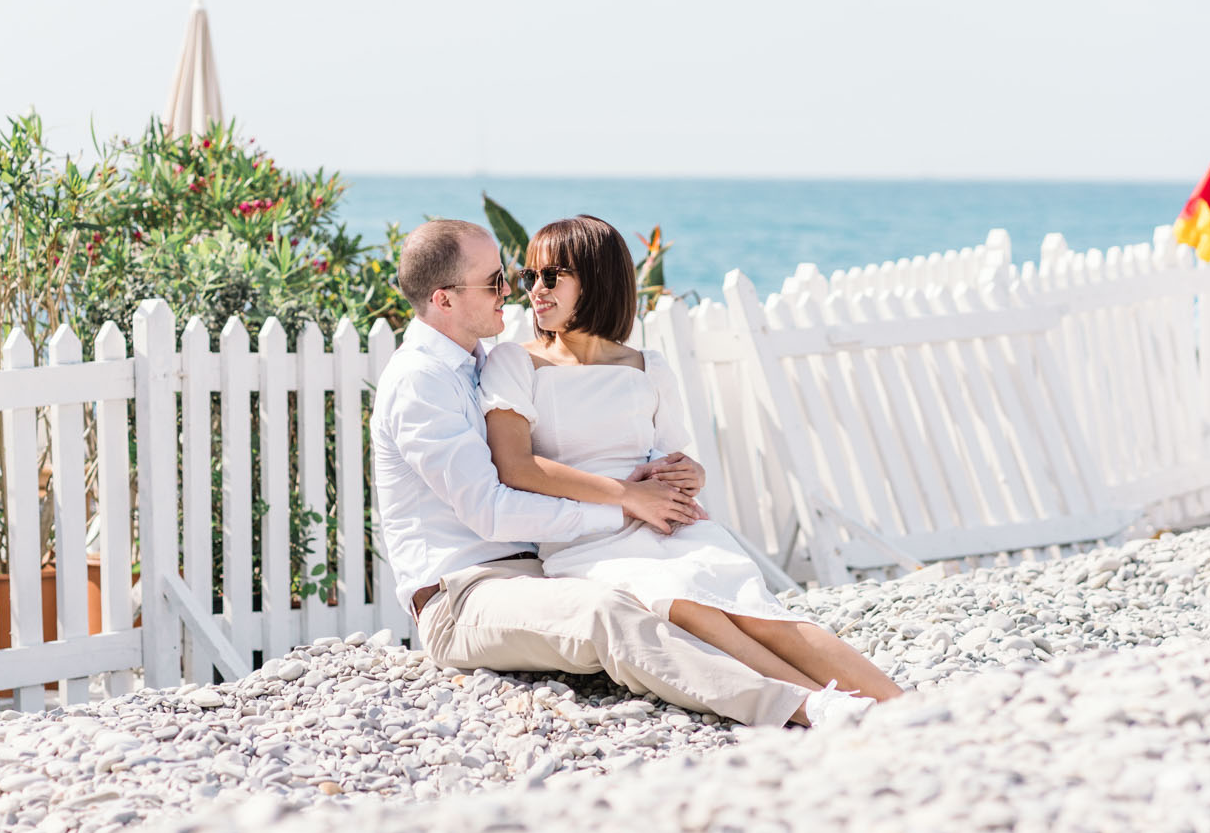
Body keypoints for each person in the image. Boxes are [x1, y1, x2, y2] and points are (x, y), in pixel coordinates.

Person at [372, 218, 870, 727]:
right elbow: (490, 512)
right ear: (444, 300)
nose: (513, 291)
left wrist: (668, 479)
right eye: (495, 282)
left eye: (509, 275)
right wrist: (625, 508)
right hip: (461, 595)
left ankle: (893, 704)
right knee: (606, 611)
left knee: (722, 601)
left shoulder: (478, 361)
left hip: (533, 569)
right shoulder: (421, 383)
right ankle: (805, 707)